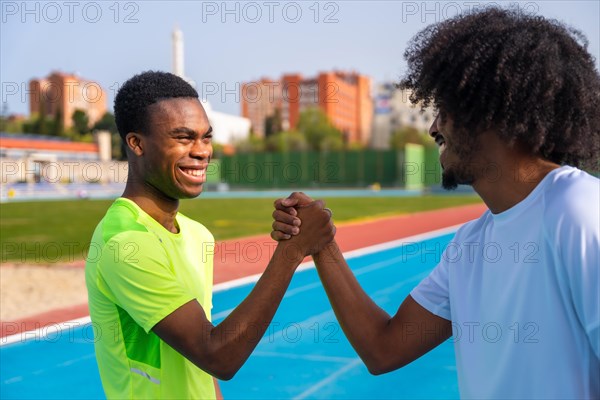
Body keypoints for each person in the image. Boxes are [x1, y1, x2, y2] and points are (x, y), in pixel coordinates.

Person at [272, 8, 599, 399]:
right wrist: (322, 245)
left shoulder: (580, 212)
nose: (432, 127)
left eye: (444, 110)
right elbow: (383, 348)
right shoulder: (469, 245)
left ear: (491, 110)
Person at [85, 71, 335, 399]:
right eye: (183, 137)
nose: (202, 151)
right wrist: (292, 251)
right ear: (136, 143)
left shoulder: (196, 235)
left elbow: (200, 357)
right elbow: (218, 355)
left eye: (206, 137)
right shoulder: (125, 243)